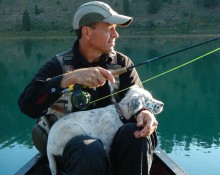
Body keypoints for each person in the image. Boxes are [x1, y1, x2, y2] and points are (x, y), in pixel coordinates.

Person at [18, 1, 158, 175]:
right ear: (86, 32)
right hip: (76, 155)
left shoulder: (123, 63)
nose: (116, 35)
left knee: (137, 135)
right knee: (89, 149)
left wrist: (145, 112)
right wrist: (69, 78)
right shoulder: (58, 66)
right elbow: (27, 105)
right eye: (109, 28)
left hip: (115, 147)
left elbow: (138, 100)